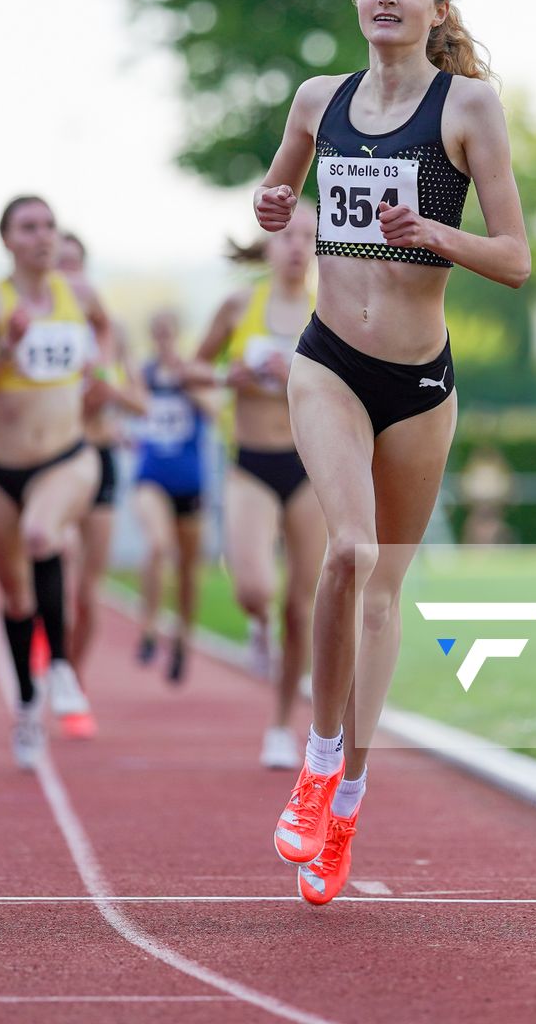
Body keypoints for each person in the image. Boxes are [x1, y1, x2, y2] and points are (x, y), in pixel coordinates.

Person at [254, 0, 529, 905]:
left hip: (418, 383)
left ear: (437, 7)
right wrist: (273, 204)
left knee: (382, 595)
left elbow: (517, 258)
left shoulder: (471, 108)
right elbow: (278, 185)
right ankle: (318, 758)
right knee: (347, 553)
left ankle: (350, 801)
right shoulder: (318, 100)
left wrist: (434, 233)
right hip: (327, 358)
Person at [0, 196, 110, 769]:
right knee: (14, 597)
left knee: (44, 535)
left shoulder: (79, 295)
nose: (42, 236)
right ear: (8, 240)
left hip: (67, 456)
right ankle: (25, 707)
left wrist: (102, 376)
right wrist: (5, 349)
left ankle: (61, 666)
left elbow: (107, 333)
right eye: (28, 227)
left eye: (48, 226)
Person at [194, 203, 325, 769]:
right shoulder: (238, 305)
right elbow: (191, 370)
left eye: (307, 237)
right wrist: (230, 377)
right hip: (250, 462)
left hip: (313, 466)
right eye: (286, 235)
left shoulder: (334, 311)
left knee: (303, 605)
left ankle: (279, 724)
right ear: (267, 245)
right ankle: (255, 622)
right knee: (253, 587)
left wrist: (300, 375)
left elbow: (363, 385)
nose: (296, 246)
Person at [56, 232, 148, 738]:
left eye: (76, 265)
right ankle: (49, 657)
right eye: (60, 266)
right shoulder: (42, 329)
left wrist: (109, 393)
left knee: (88, 592)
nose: (69, 275)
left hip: (101, 460)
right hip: (53, 461)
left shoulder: (112, 333)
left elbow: (141, 403)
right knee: (54, 562)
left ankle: (73, 678)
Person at [131, 309, 217, 685]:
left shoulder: (192, 373)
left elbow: (215, 411)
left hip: (190, 482)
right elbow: (129, 405)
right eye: (159, 334)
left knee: (187, 568)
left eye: (170, 333)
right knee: (157, 545)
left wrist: (189, 384)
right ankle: (149, 626)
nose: (165, 341)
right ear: (153, 336)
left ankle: (183, 636)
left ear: (178, 334)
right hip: (150, 477)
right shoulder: (143, 375)